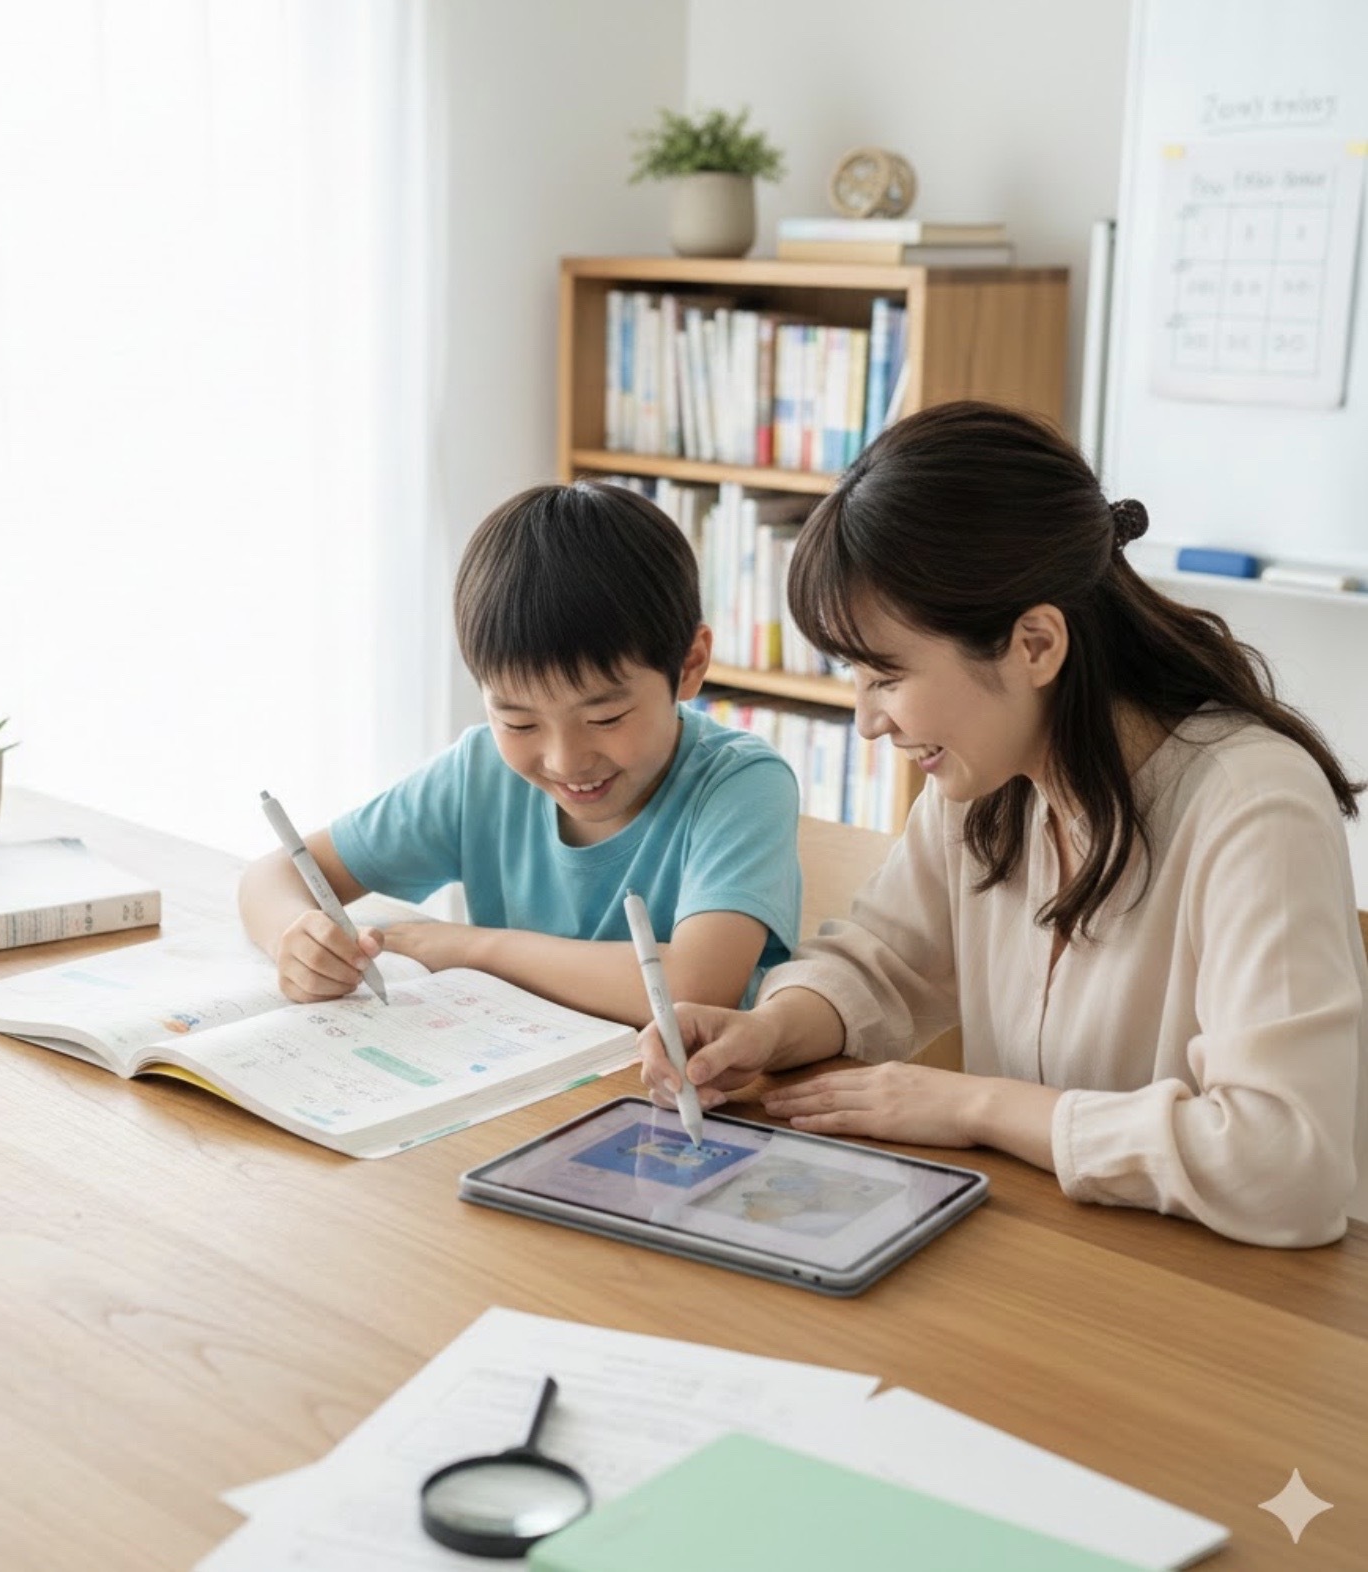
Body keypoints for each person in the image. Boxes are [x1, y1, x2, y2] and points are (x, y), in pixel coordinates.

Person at [640, 401, 1367, 1248]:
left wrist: (977, 1105)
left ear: (1034, 645)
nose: (868, 721)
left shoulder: (1252, 808)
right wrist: (767, 1029)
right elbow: (881, 963)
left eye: (886, 674)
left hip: (1234, 1307)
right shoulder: (985, 784)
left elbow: (1285, 1163)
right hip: (1055, 1257)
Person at [239, 480, 801, 1026]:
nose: (565, 760)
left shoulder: (742, 783)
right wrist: (296, 937)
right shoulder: (479, 773)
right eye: (518, 721)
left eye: (604, 717)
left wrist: (472, 949)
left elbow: (692, 988)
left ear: (691, 664)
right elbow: (272, 876)